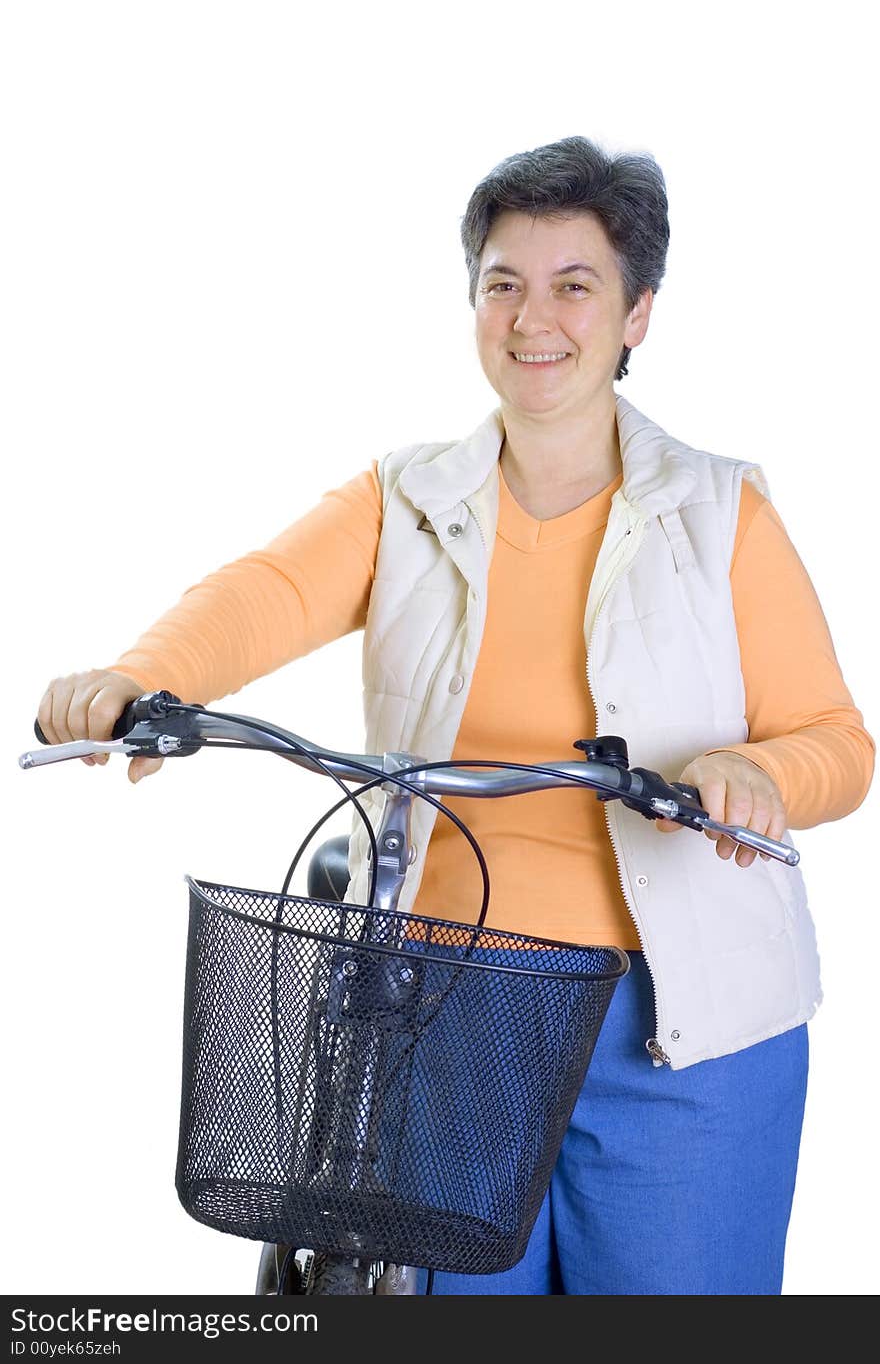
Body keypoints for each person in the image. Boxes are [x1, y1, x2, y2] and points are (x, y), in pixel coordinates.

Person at [36, 136, 874, 1295]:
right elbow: (263, 592)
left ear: (636, 316)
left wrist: (753, 770)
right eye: (503, 283)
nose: (535, 317)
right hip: (449, 1013)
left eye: (575, 285)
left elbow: (837, 741)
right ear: (474, 302)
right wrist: (136, 679)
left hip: (681, 1029)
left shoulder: (720, 512)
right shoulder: (407, 497)